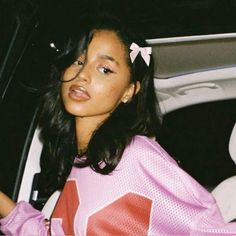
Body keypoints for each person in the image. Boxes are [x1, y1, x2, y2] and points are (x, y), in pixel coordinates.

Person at [0, 15, 236, 236]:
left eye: (104, 69)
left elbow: (206, 229)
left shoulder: (135, 156)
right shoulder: (83, 163)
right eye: (78, 60)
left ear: (128, 91)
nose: (82, 74)